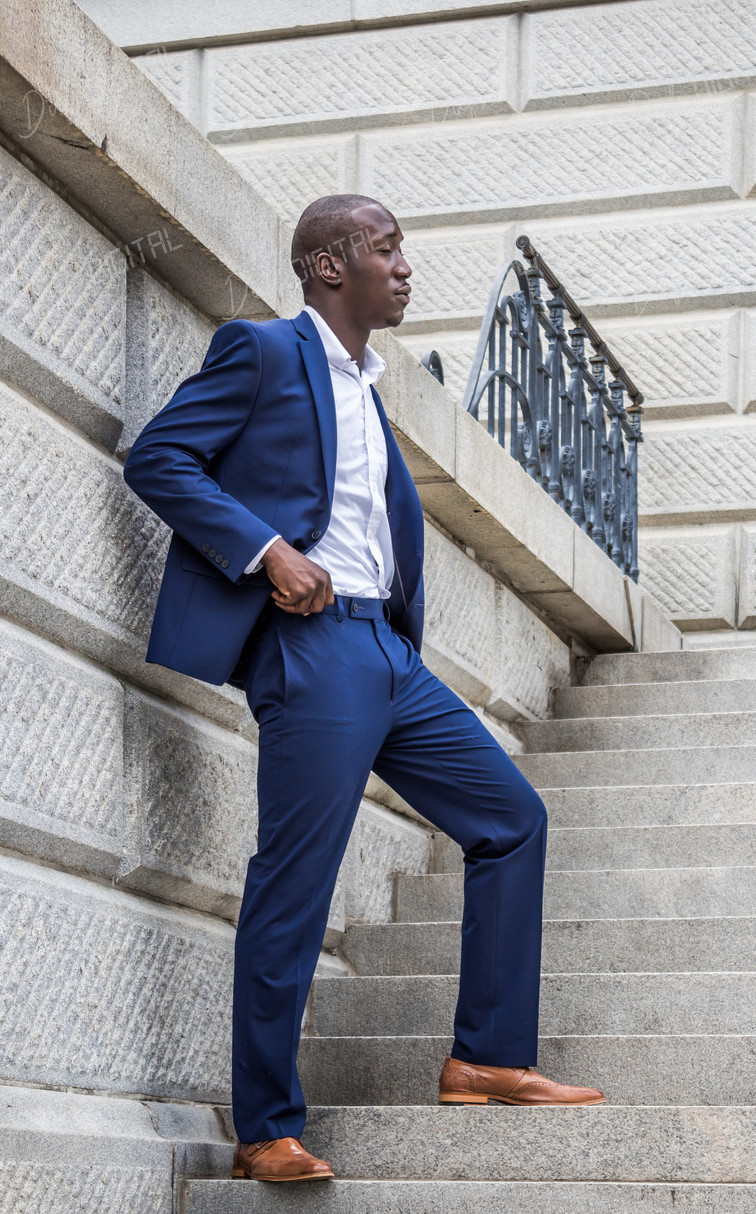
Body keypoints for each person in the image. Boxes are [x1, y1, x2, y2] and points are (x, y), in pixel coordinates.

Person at [123, 193, 604, 1185]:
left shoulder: (370, 388)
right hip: (311, 651)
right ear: (328, 265)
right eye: (386, 248)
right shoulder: (260, 351)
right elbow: (160, 457)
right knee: (295, 878)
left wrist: (391, 633)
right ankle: (265, 1125)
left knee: (510, 817)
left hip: (385, 652)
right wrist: (265, 553)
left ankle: (486, 1054)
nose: (404, 265)